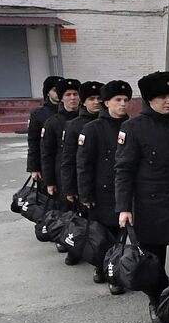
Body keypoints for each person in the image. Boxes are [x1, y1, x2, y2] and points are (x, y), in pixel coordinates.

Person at [115, 71, 169, 323]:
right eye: (162, 97)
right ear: (149, 100)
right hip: (150, 207)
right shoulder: (133, 127)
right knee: (152, 264)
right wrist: (124, 207)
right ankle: (157, 301)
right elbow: (123, 169)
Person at [77, 79, 132, 292]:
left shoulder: (133, 126)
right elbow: (83, 165)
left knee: (122, 237)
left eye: (126, 100)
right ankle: (103, 268)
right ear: (106, 103)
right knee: (103, 236)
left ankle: (116, 273)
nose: (123, 104)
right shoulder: (92, 129)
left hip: (126, 192)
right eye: (117, 100)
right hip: (102, 192)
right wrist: (85, 195)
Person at [58, 80, 103, 266]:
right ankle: (74, 249)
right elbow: (68, 160)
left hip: (102, 183)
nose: (96, 102)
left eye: (100, 98)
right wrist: (69, 189)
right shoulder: (74, 126)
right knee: (82, 222)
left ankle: (101, 260)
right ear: (84, 101)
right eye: (91, 98)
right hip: (81, 183)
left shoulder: (110, 123)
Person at [40, 78, 81, 197]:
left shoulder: (88, 122)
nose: (72, 98)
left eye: (75, 94)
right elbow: (47, 154)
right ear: (61, 98)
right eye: (68, 95)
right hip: (62, 175)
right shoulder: (52, 122)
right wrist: (49, 181)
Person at [25, 75, 63, 182]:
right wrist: (34, 168)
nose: (59, 93)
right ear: (47, 92)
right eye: (55, 90)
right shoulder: (38, 114)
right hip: (46, 163)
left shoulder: (72, 112)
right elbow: (33, 142)